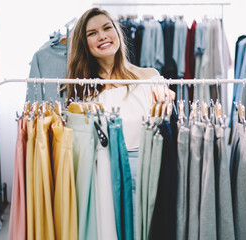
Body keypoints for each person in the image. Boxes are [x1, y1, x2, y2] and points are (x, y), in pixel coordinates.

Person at [67, 7, 175, 239]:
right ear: (84, 43)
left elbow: (164, 124)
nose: (103, 36)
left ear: (118, 32)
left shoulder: (150, 78)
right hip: (105, 173)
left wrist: (167, 101)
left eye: (108, 28)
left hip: (149, 167)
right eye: (92, 33)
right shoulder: (83, 92)